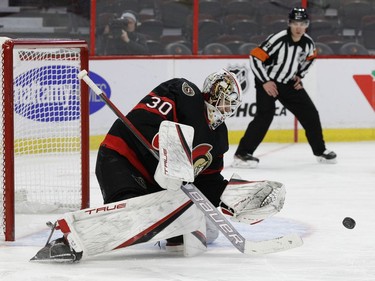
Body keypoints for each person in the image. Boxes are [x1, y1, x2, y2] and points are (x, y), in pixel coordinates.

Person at [31, 69, 287, 262]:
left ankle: (171, 234)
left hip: (158, 182)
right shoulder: (184, 92)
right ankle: (66, 241)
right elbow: (143, 121)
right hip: (122, 159)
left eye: (233, 103)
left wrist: (235, 199)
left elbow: (208, 181)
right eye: (226, 100)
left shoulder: (218, 136)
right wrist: (170, 155)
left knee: (206, 230)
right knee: (135, 215)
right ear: (213, 92)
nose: (229, 107)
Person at [233, 7, 337, 169]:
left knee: (310, 113)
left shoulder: (308, 43)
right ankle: (242, 154)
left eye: (302, 23)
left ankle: (320, 151)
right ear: (289, 23)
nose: (299, 27)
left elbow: (311, 58)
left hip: (288, 83)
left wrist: (299, 76)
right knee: (265, 115)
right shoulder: (278, 39)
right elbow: (255, 57)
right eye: (295, 23)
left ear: (307, 25)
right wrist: (265, 81)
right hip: (268, 82)